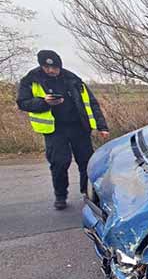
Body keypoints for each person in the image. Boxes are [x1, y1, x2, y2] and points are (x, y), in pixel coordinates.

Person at [16, 50, 109, 210]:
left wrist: (102, 126)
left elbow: (91, 103)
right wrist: (44, 103)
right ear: (41, 66)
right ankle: (60, 196)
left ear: (60, 66)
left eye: (55, 67)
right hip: (55, 129)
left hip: (79, 126)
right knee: (59, 162)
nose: (51, 70)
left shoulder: (72, 79)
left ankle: (87, 192)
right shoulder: (31, 80)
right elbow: (23, 102)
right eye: (47, 67)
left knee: (86, 161)